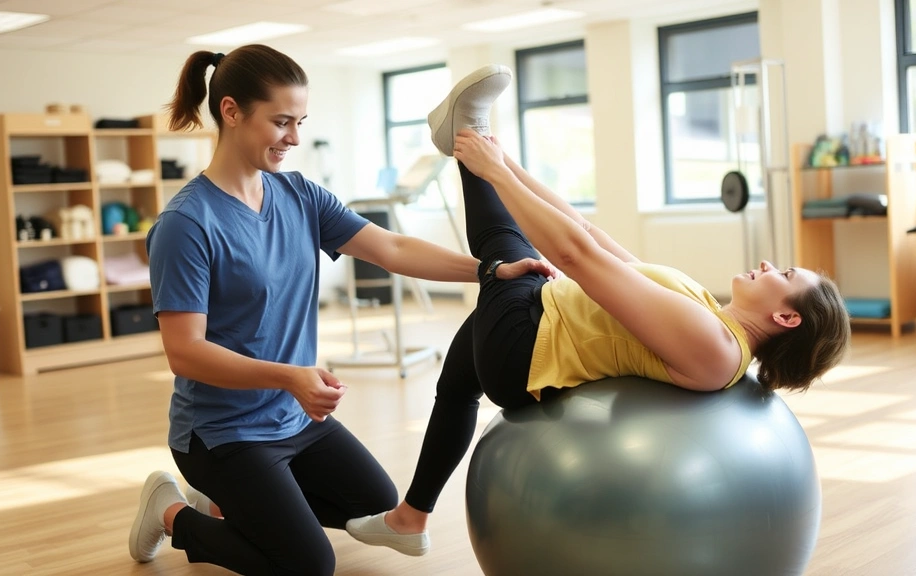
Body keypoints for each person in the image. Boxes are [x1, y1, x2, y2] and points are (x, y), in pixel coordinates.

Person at [344, 64, 851, 556]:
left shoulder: (716, 350)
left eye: (784, 275)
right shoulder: (707, 311)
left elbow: (574, 258)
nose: (769, 263)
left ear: (787, 319)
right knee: (455, 388)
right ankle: (410, 518)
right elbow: (592, 239)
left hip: (521, 347)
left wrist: (490, 168)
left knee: (506, 247)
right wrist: (504, 163)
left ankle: (465, 131)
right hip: (533, 321)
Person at [127, 46, 553, 576]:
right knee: (309, 564)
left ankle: (224, 506)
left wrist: (489, 271)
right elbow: (184, 353)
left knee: (377, 505)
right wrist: (290, 378)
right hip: (222, 432)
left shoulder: (299, 194)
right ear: (231, 111)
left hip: (293, 418)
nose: (295, 138)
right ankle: (170, 512)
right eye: (281, 122)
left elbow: (391, 249)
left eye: (300, 121)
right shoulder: (187, 224)